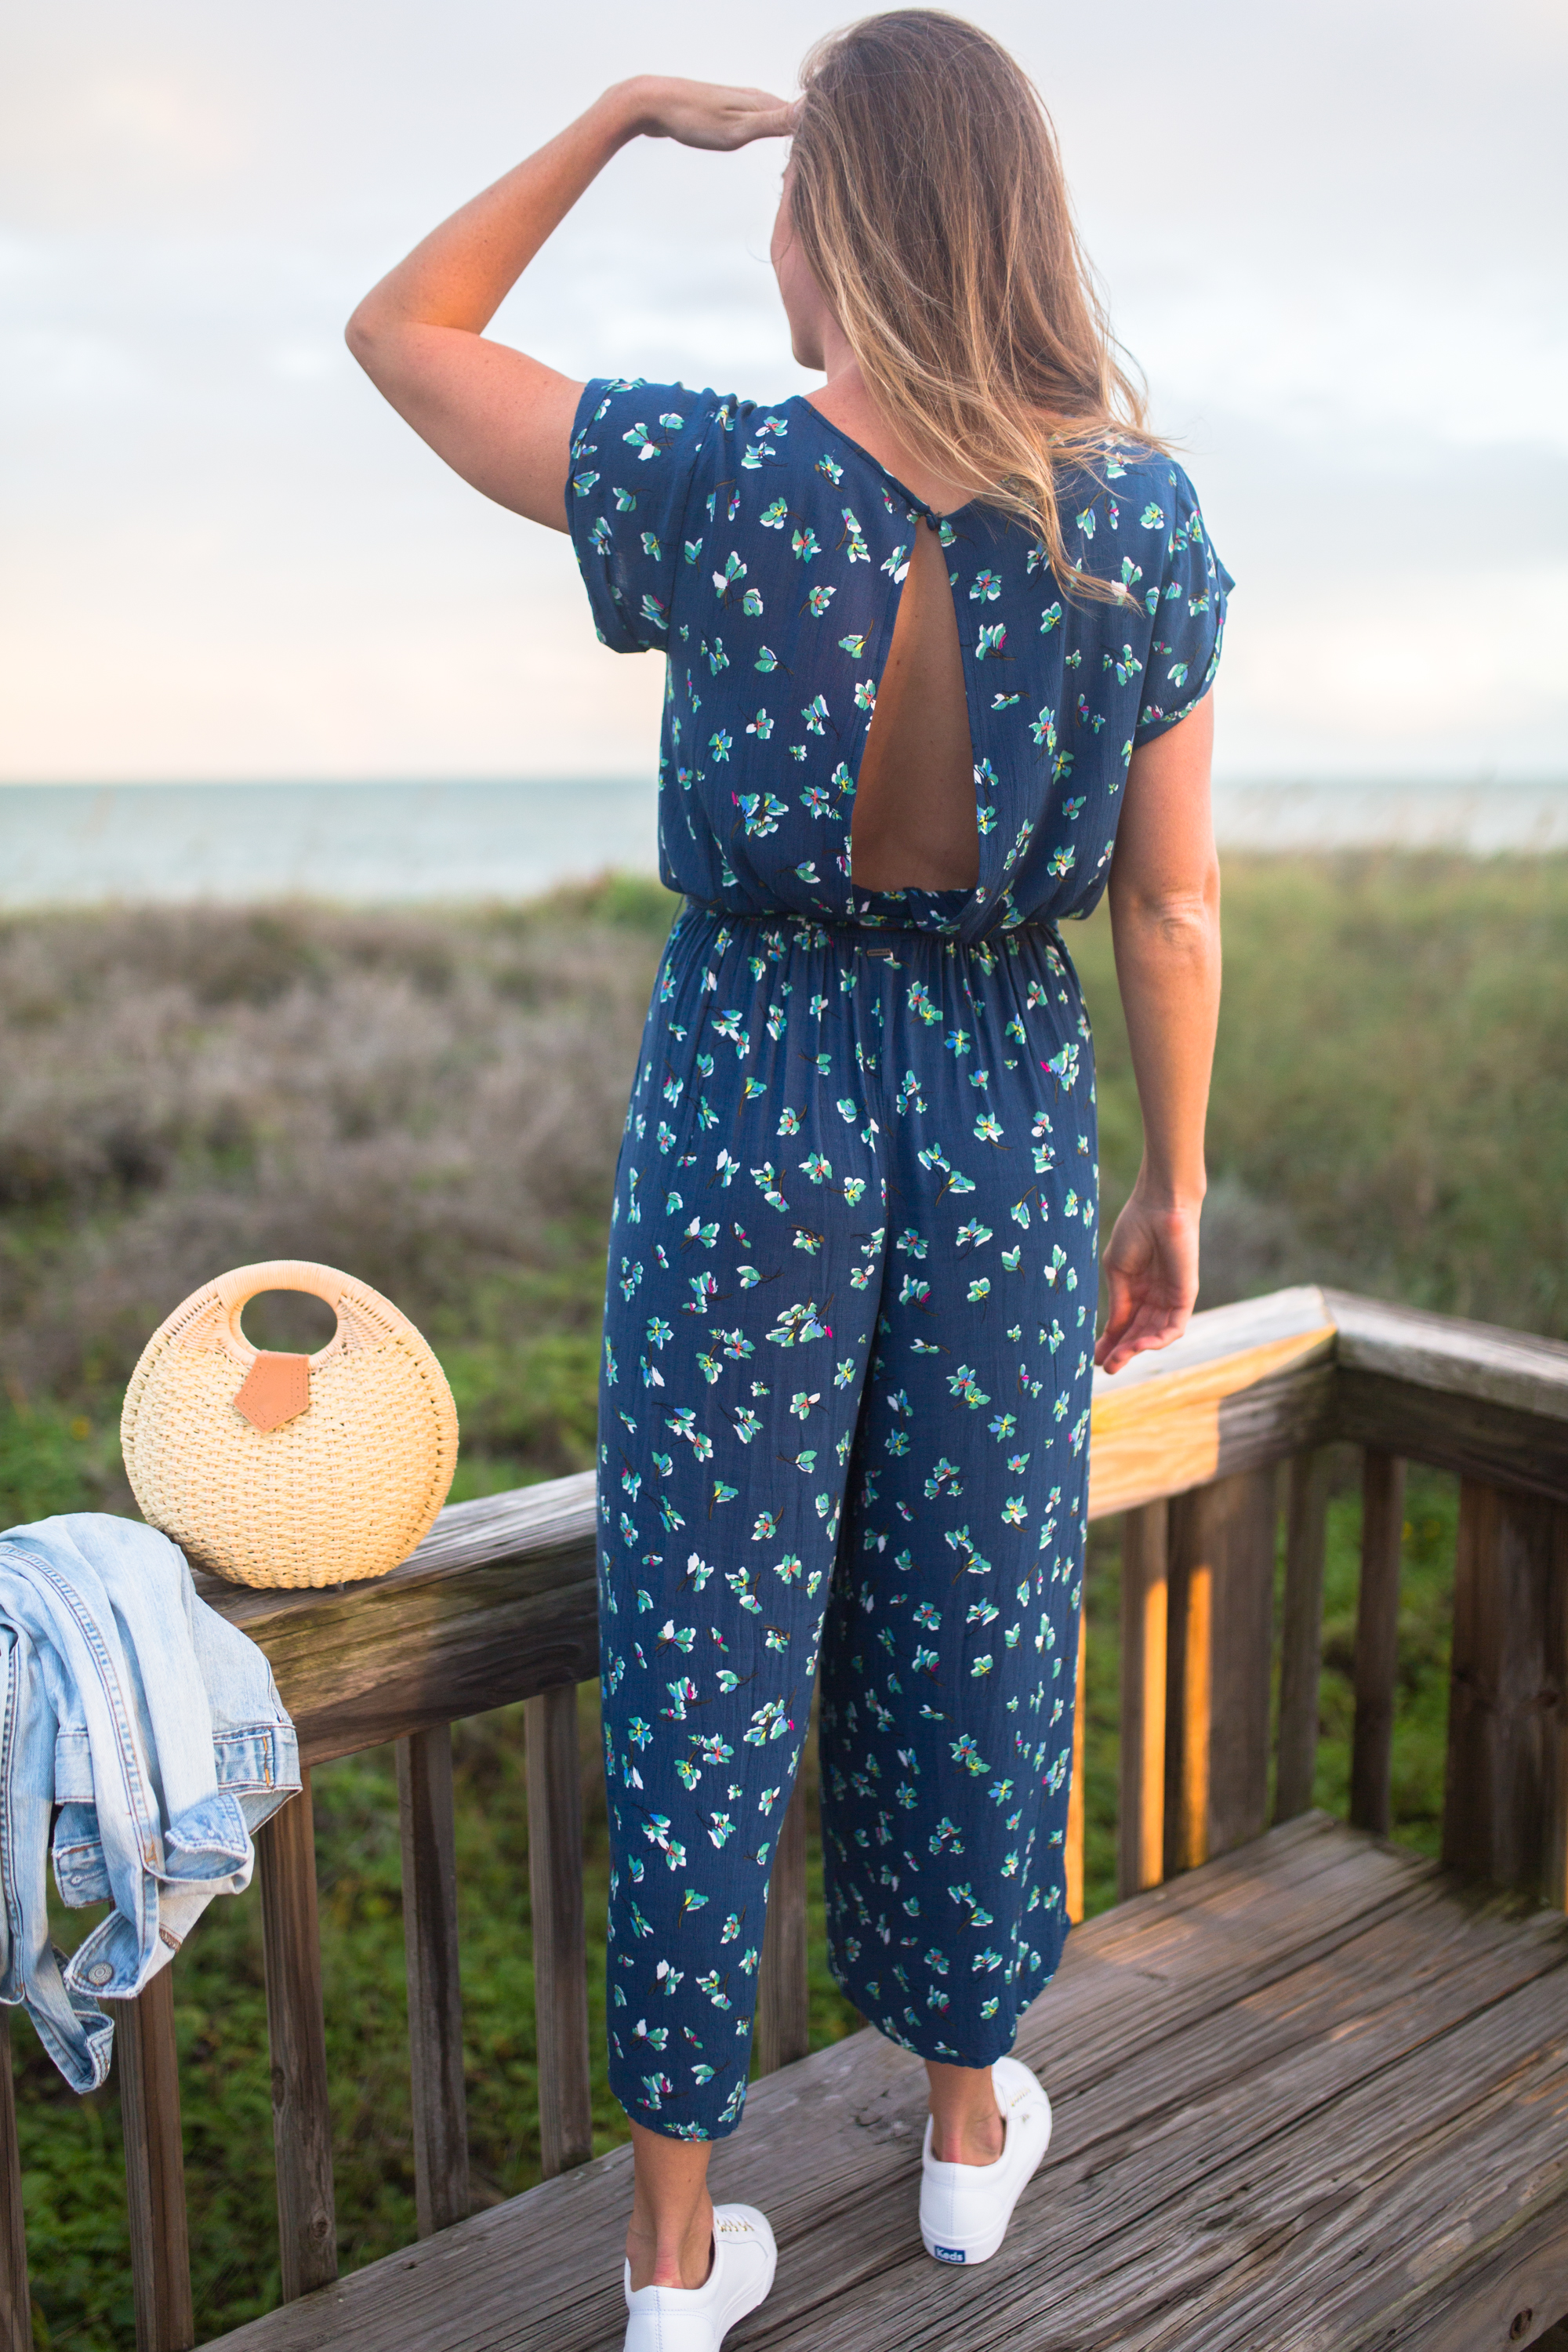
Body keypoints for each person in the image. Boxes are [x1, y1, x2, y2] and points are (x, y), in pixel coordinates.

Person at [347, 13, 1226, 2347]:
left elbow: (402, 333)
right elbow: (1170, 911)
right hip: (1010, 1112)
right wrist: (1181, 1188)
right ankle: (960, 2139)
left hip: (754, 1085)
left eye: (783, 190)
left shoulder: (718, 479)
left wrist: (622, 111)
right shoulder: (1134, 519)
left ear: (831, 216)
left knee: (709, 1631)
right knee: (972, 1609)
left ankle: (667, 2255)